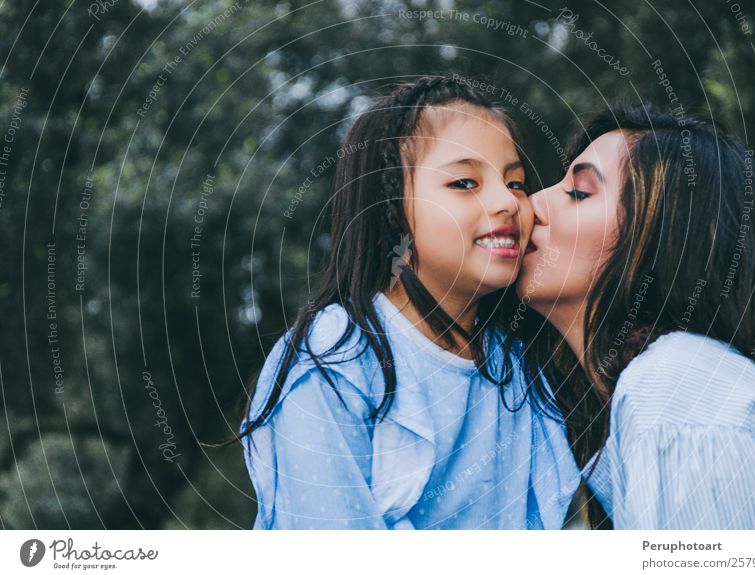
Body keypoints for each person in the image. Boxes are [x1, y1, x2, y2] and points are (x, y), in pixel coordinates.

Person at [236, 76, 580, 529]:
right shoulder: (335, 358)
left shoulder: (517, 368)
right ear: (392, 207)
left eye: (515, 182)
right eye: (464, 182)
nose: (507, 202)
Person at [516, 105, 755, 529]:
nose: (530, 205)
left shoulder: (675, 392)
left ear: (671, 239)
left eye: (578, 192)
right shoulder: (670, 394)